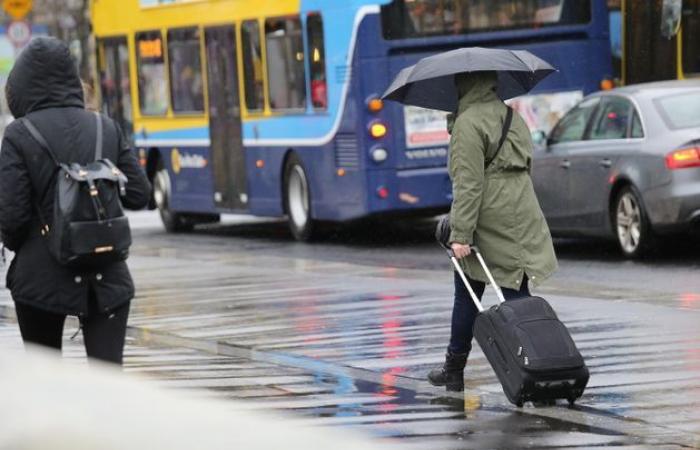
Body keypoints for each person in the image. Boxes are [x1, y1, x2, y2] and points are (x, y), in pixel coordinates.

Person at [0, 37, 151, 365]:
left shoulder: (19, 134)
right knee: (108, 382)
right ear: (71, 79)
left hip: (40, 280)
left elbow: (11, 219)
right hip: (107, 276)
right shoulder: (104, 126)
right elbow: (140, 195)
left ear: (21, 87)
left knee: (47, 382)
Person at [428, 71, 558, 391]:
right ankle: (536, 366)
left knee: (476, 297)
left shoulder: (467, 125)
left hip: (490, 215)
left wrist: (461, 234)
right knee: (515, 291)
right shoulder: (512, 117)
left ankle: (529, 369)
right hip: (523, 207)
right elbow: (526, 165)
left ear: (464, 86)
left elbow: (469, 185)